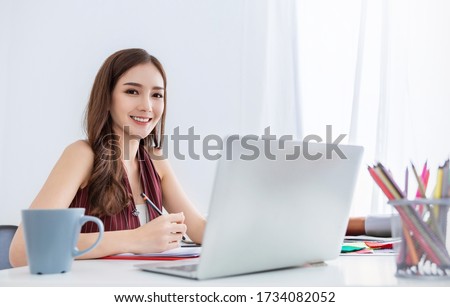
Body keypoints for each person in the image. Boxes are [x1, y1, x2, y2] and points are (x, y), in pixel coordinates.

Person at [9, 48, 206, 267]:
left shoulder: (155, 160)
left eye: (157, 95)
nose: (147, 106)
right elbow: (25, 249)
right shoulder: (82, 155)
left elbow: (198, 229)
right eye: (132, 91)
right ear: (107, 97)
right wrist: (136, 239)